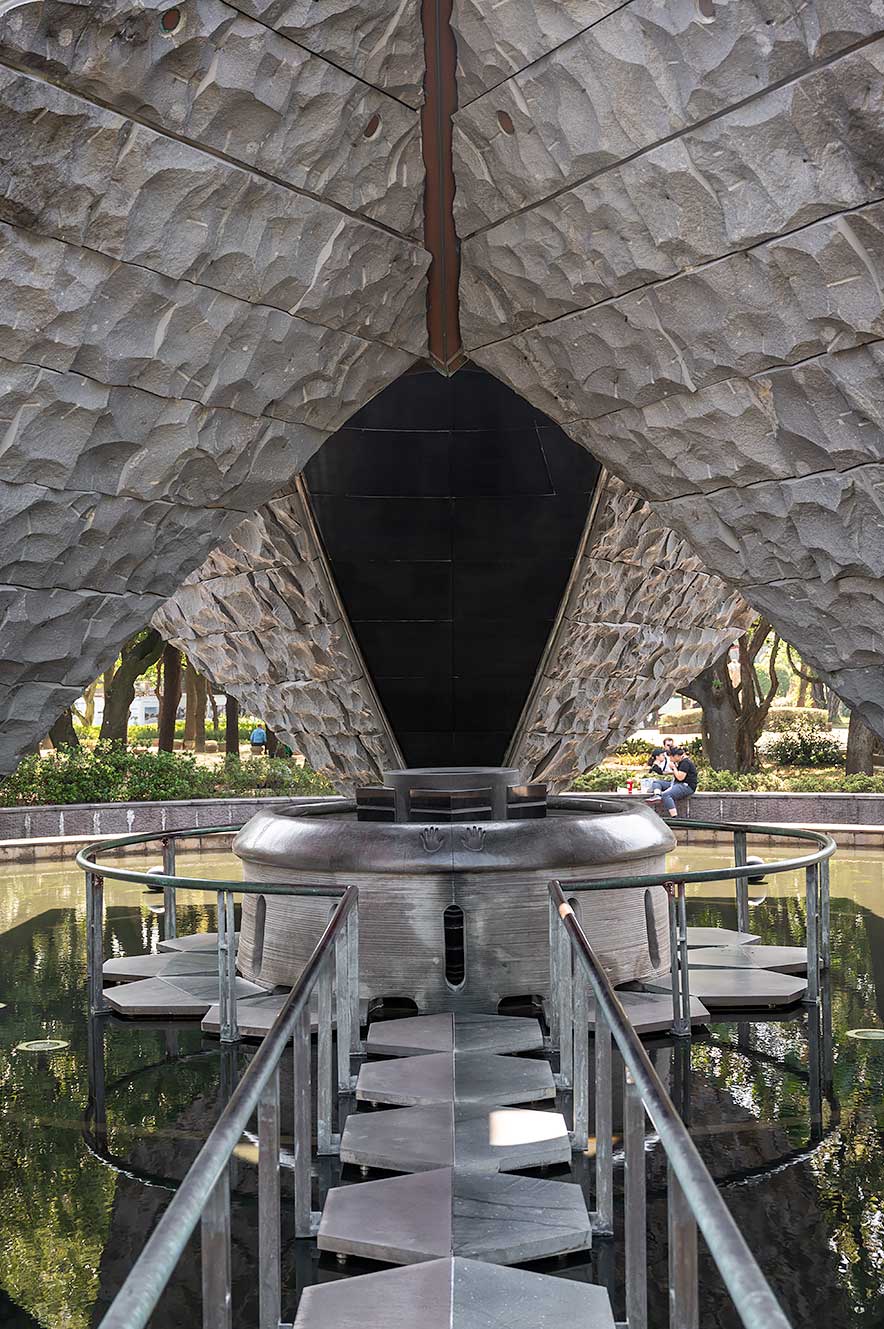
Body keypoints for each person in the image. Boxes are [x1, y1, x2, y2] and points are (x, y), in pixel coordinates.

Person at [657, 746, 698, 817]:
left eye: (671, 757)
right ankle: (656, 795)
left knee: (666, 795)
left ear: (676, 756)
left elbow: (680, 777)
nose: (670, 759)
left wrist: (674, 768)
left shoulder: (686, 763)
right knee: (657, 782)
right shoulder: (681, 762)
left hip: (686, 786)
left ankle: (674, 817)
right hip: (678, 784)